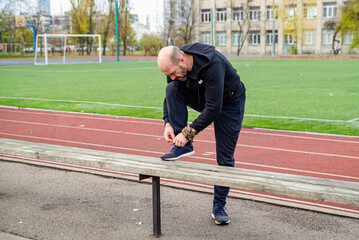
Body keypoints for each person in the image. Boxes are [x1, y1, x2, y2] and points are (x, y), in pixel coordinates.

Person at [157, 43, 246, 225]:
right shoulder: (175, 65)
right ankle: (184, 148)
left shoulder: (212, 64)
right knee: (172, 88)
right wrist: (168, 123)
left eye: (172, 73)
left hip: (229, 103)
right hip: (203, 95)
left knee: (225, 159)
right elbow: (170, 95)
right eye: (168, 75)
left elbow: (214, 108)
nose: (172, 77)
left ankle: (219, 205)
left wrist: (187, 132)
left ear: (182, 60)